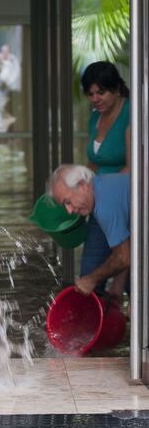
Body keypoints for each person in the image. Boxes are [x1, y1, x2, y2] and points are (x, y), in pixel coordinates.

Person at [80, 61, 130, 302]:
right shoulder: (95, 119)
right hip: (98, 203)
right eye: (91, 94)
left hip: (122, 200)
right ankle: (96, 330)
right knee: (88, 274)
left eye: (101, 92)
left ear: (117, 89)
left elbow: (134, 167)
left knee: (126, 270)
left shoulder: (131, 115)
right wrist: (77, 187)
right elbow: (94, 161)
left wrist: (101, 192)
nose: (95, 99)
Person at [47, 164, 130, 300]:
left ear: (82, 185)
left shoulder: (104, 205)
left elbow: (123, 257)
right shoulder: (103, 186)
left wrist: (92, 279)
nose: (69, 210)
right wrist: (117, 287)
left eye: (68, 201)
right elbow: (130, 248)